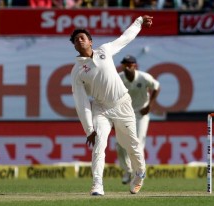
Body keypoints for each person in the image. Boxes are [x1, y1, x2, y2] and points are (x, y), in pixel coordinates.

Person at [70, 15, 153, 196]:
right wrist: (88, 129)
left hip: (122, 104)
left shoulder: (105, 50)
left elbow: (125, 38)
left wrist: (139, 22)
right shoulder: (76, 72)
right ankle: (97, 184)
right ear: (74, 46)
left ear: (90, 41)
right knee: (100, 143)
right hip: (101, 108)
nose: (79, 40)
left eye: (82, 37)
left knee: (130, 144)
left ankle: (139, 173)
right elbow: (81, 101)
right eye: (76, 40)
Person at [116, 55, 160, 184]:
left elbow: (156, 87)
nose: (128, 66)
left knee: (138, 143)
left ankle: (138, 173)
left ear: (135, 66)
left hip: (141, 113)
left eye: (130, 64)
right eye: (125, 64)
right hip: (124, 113)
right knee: (120, 144)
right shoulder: (118, 78)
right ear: (122, 66)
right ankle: (127, 171)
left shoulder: (143, 77)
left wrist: (150, 105)